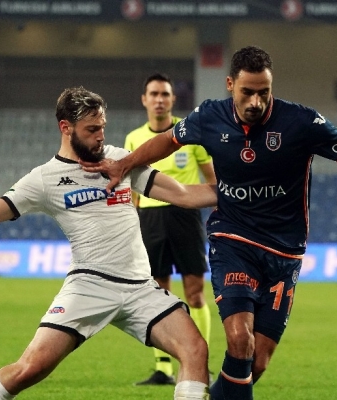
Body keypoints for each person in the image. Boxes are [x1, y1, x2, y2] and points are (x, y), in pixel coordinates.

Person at [80, 46, 337, 400]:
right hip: (232, 240)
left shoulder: (302, 122)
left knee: (256, 363)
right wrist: (125, 164)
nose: (255, 101)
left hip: (284, 251)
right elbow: (168, 141)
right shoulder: (210, 116)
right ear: (230, 84)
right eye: (247, 92)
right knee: (240, 338)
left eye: (263, 92)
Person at [0, 87, 213, 400]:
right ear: (66, 127)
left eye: (102, 127)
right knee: (30, 369)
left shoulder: (119, 160)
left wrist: (236, 192)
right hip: (90, 286)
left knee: (195, 349)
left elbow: (183, 195)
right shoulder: (45, 179)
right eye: (91, 130)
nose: (100, 136)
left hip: (140, 288)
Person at [126, 73, 216, 386]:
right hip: (150, 219)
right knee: (158, 293)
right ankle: (163, 367)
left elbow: (212, 180)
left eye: (165, 94)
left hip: (186, 216)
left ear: (173, 99)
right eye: (154, 94)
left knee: (195, 292)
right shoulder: (134, 138)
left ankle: (200, 363)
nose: (159, 99)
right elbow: (131, 189)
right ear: (144, 99)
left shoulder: (189, 133)